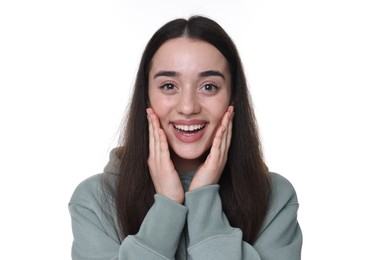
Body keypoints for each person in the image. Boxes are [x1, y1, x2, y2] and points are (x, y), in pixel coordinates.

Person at [69, 15, 302, 259]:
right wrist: (167, 208)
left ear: (233, 98)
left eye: (209, 86)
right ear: (146, 96)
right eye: (169, 86)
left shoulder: (275, 198)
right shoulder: (95, 201)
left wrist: (204, 200)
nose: (188, 107)